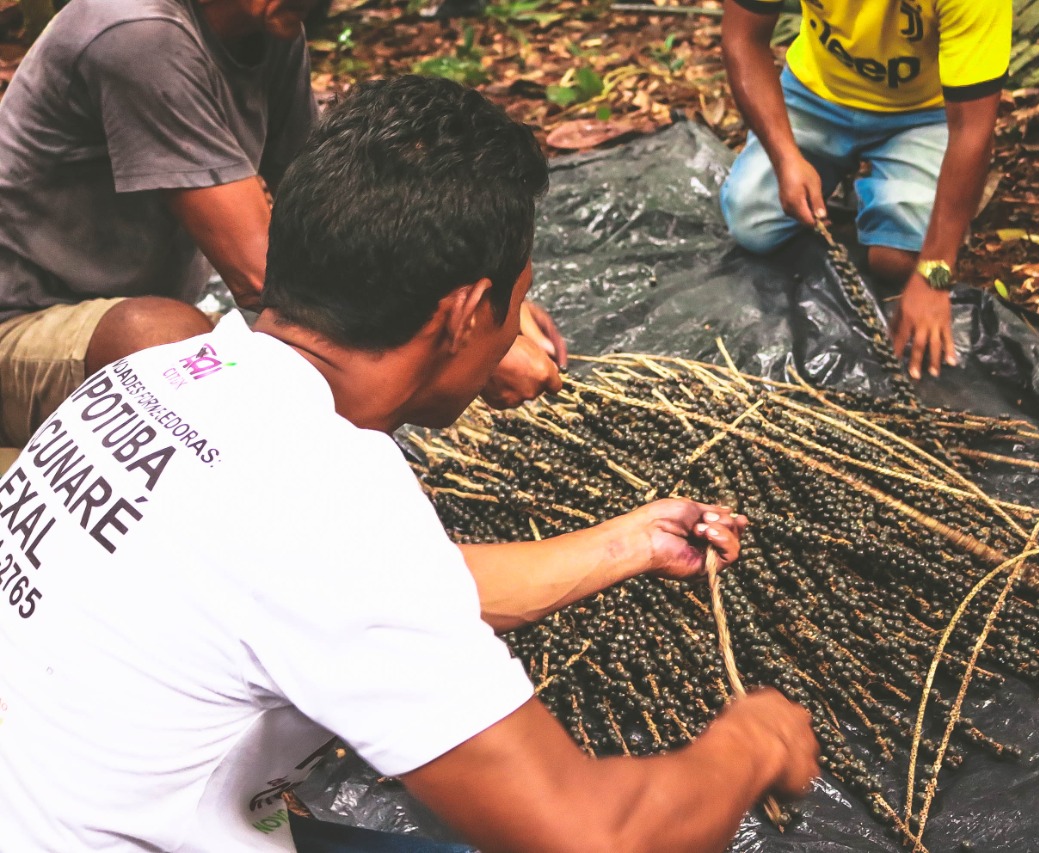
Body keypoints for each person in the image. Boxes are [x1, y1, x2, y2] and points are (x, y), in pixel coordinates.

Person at [0, 75, 819, 852]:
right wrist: (753, 741)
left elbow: (345, 587)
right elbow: (598, 833)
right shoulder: (329, 498)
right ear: (465, 312)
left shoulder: (167, 376)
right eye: (516, 304)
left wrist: (629, 543)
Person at [0, 0, 564, 451]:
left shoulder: (272, 27)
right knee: (170, 343)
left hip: (127, 300)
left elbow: (337, 206)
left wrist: (491, 287)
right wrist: (472, 341)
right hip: (20, 317)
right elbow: (260, 271)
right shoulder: (134, 31)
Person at [719, 0, 1011, 381]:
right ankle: (869, 182)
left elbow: (973, 128)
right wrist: (785, 156)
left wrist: (934, 272)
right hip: (816, 94)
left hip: (923, 113)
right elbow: (742, 38)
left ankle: (891, 182)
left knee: (899, 260)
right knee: (751, 222)